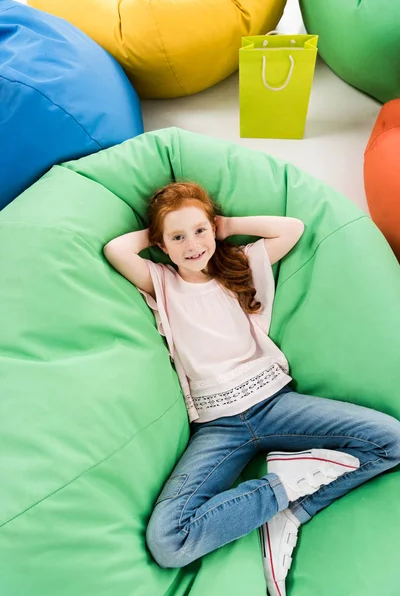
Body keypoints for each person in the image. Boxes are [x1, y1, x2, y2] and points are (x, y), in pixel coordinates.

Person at [103, 181, 400, 596]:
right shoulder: (163, 283)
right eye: (177, 236)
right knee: (168, 543)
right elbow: (117, 250)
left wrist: (222, 226)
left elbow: (291, 228)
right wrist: (162, 232)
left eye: (199, 231)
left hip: (275, 402)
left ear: (214, 229)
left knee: (392, 441)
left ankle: (294, 512)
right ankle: (280, 489)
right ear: (162, 245)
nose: (192, 244)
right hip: (218, 426)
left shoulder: (240, 265)